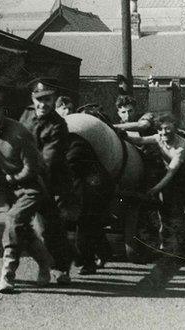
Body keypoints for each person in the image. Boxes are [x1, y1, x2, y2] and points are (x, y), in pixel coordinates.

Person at [0, 93, 61, 294]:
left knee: (13, 221)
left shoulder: (18, 133)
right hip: (10, 188)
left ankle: (7, 275)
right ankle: (45, 262)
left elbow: (31, 169)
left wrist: (8, 179)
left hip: (32, 186)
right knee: (23, 231)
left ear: (1, 112)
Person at [127, 114, 185, 262]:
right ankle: (182, 249)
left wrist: (154, 190)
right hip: (175, 181)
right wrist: (120, 133)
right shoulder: (158, 138)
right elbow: (139, 140)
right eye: (161, 129)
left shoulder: (181, 147)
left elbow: (170, 173)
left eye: (168, 129)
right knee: (175, 214)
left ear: (175, 129)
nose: (164, 133)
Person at [19, 79, 75, 281]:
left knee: (50, 228)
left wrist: (21, 174)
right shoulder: (26, 114)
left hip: (52, 183)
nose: (43, 104)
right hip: (26, 179)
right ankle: (45, 263)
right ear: (32, 98)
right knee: (20, 227)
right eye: (39, 99)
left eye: (48, 100)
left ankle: (61, 268)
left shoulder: (58, 125)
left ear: (53, 100)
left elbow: (48, 161)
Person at [65, 115, 114, 274]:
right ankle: (104, 252)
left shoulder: (75, 145)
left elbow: (65, 167)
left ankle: (88, 263)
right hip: (82, 190)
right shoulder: (59, 143)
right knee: (92, 225)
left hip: (94, 190)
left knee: (85, 224)